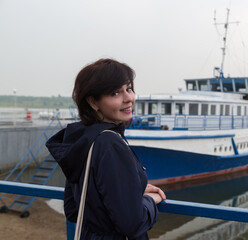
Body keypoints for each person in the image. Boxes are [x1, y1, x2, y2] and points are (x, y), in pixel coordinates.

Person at [46, 58, 166, 240]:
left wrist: (134, 191)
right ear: (93, 102)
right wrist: (150, 200)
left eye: (129, 89)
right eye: (116, 93)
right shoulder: (111, 145)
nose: (128, 99)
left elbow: (73, 210)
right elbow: (133, 224)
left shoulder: (82, 139)